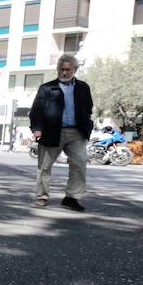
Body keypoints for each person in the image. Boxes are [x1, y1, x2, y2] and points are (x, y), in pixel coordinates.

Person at [30, 53, 94, 211]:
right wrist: (37, 129)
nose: (64, 73)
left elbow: (88, 108)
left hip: (76, 133)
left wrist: (86, 125)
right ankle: (42, 195)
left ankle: (72, 198)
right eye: (61, 69)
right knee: (44, 166)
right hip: (52, 132)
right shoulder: (47, 88)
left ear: (75, 70)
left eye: (68, 69)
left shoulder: (83, 87)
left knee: (79, 163)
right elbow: (36, 110)